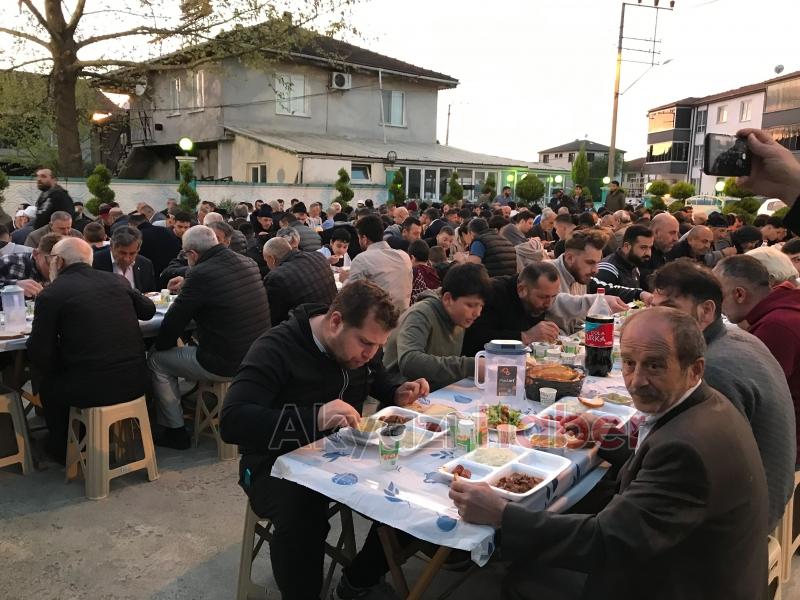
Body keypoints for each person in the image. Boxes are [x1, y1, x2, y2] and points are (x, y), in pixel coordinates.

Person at [453, 307, 769, 600]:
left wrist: (502, 514)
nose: (637, 380)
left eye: (656, 365)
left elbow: (606, 543)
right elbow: (652, 463)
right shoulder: (704, 405)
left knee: (517, 578)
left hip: (678, 585)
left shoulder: (686, 449)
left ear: (694, 368)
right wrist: (605, 435)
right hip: (696, 563)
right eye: (629, 363)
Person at [220, 281, 429, 600]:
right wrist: (315, 418)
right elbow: (233, 422)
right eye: (365, 344)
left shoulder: (361, 344)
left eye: (377, 346)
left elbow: (377, 375)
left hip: (346, 450)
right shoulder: (277, 347)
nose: (370, 354)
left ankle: (359, 579)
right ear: (335, 322)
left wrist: (395, 390)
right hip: (275, 463)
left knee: (419, 491)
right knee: (303, 518)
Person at [651, 260, 795, 529]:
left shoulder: (711, 368)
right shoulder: (735, 338)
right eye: (653, 309)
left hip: (738, 524)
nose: (656, 322)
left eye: (670, 310)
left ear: (706, 311)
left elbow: (695, 465)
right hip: (761, 493)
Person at [27, 238, 156, 462]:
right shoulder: (117, 281)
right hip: (137, 381)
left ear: (58, 261)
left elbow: (40, 350)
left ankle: (63, 448)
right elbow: (147, 310)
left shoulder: (52, 293)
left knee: (48, 383)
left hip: (90, 389)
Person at [148, 225, 270, 449]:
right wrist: (188, 283)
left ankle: (174, 431)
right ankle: (186, 399)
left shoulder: (200, 274)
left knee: (157, 359)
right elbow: (221, 283)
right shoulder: (247, 262)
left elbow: (174, 323)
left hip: (225, 361)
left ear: (192, 254)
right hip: (257, 354)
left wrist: (160, 345)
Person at [714, 255, 800, 467]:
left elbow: (753, 393)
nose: (717, 307)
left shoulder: (776, 326)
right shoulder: (783, 308)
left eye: (718, 297)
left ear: (739, 294)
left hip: (786, 444)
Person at [462, 263, 624, 355]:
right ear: (522, 289)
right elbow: (474, 338)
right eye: (543, 297)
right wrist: (524, 336)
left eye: (553, 296)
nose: (549, 303)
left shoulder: (540, 299)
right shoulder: (493, 293)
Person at [384, 263, 490, 390]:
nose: (477, 313)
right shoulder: (420, 314)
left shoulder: (459, 318)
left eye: (481, 306)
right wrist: (471, 366)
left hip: (436, 393)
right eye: (470, 305)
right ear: (447, 299)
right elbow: (409, 361)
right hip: (402, 394)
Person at [262, 237, 337, 327]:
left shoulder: (275, 277)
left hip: (308, 330)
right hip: (333, 319)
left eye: (266, 261)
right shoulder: (319, 257)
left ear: (271, 258)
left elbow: (274, 318)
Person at [346, 215, 412, 312]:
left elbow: (350, 298)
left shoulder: (362, 259)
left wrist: (345, 280)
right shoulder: (404, 257)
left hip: (379, 321)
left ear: (364, 238)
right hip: (404, 318)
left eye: (359, 238)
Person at [588, 225, 654, 303]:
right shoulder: (608, 268)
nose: (648, 253)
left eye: (650, 248)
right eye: (643, 248)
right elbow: (602, 297)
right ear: (626, 246)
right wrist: (639, 294)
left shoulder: (633, 265)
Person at [92, 226, 157, 293]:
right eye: (122, 253)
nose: (126, 259)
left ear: (138, 249)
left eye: (132, 253)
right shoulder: (94, 262)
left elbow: (151, 295)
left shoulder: (145, 264)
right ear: (111, 247)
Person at [0, 233, 61, 297]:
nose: (55, 270)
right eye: (51, 264)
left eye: (61, 266)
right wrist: (14, 286)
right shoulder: (10, 263)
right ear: (36, 254)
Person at [551, 229, 607, 295]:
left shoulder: (579, 276)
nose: (596, 270)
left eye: (597, 263)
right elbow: (555, 302)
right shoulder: (545, 273)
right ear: (569, 258)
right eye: (590, 262)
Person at [640, 212, 680, 288]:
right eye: (672, 233)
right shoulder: (640, 251)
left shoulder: (669, 248)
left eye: (677, 233)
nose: (676, 239)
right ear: (656, 232)